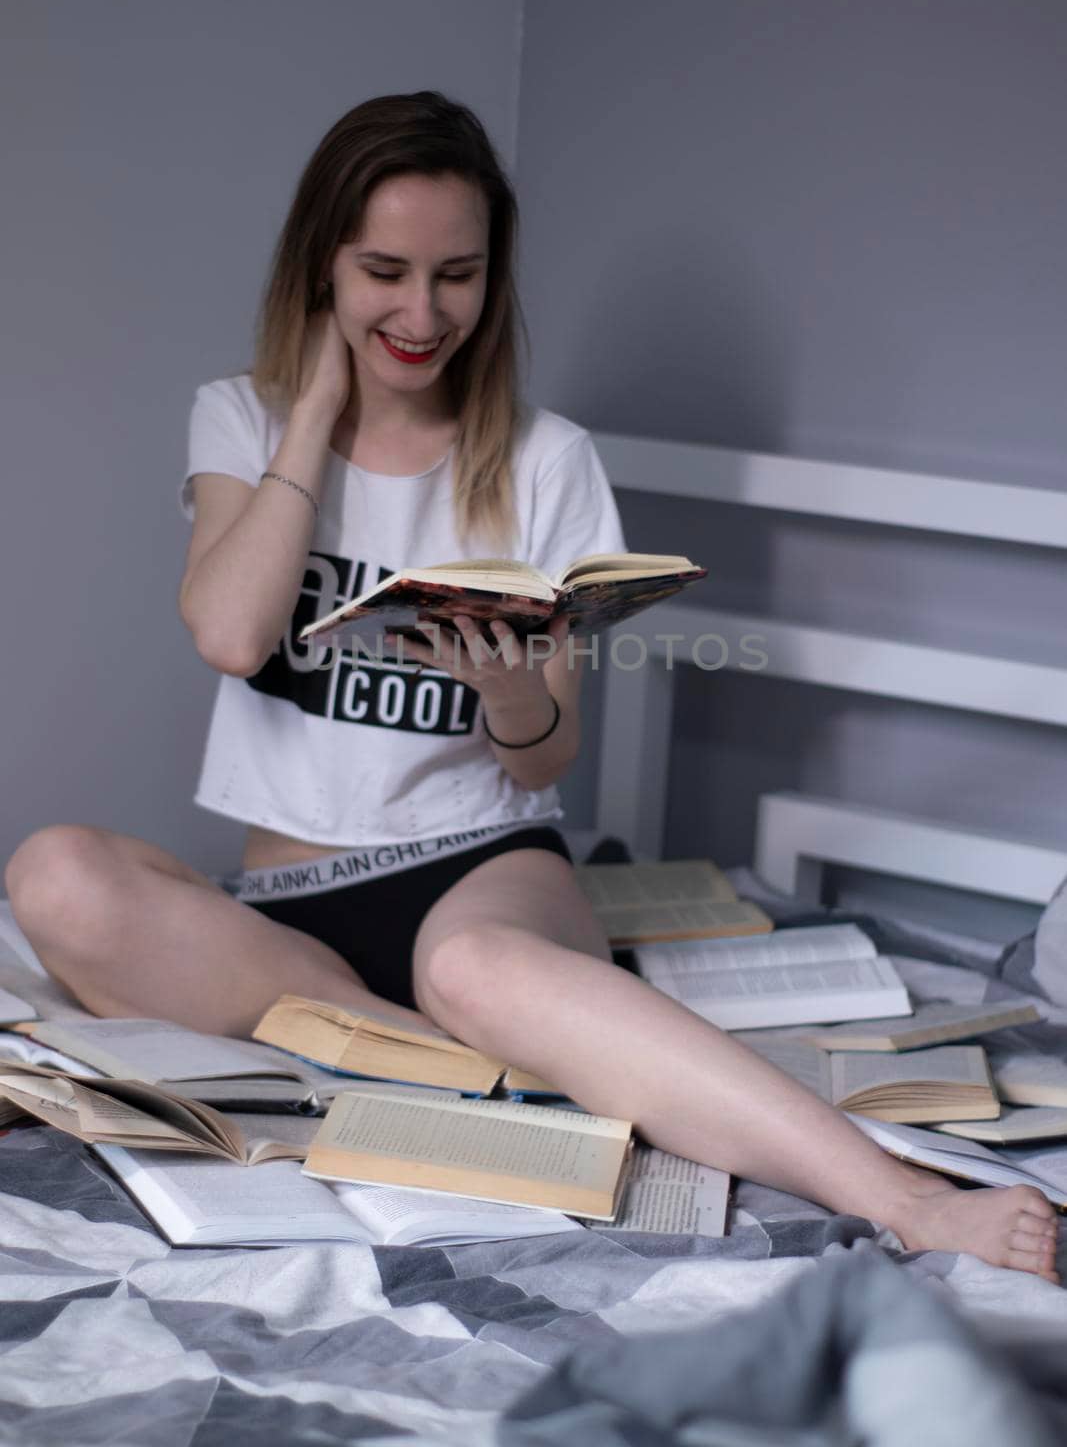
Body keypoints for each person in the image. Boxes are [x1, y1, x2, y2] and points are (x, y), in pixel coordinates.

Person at [5, 91, 1058, 1283]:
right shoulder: (238, 414)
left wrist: (506, 694)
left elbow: (543, 757)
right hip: (289, 907)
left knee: (473, 970)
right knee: (51, 871)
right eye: (383, 271)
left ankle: (900, 1193)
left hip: (475, 871)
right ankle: (456, 1061)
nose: (419, 311)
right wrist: (312, 413)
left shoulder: (546, 459)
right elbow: (232, 634)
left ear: (492, 277)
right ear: (322, 267)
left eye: (456, 274)